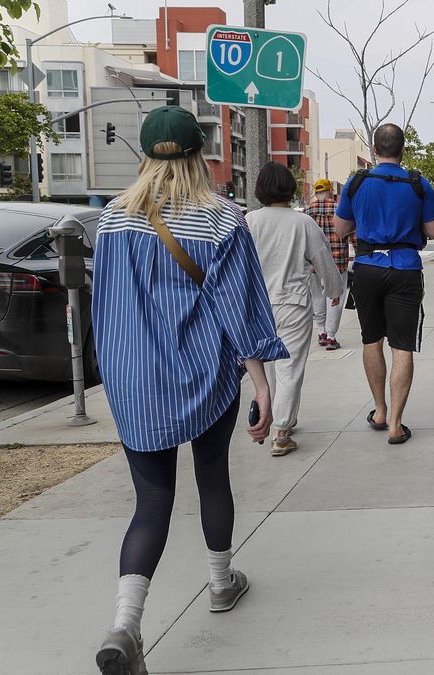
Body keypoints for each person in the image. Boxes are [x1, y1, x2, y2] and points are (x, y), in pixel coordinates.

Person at [91, 105, 287, 675]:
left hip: (135, 382)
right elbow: (239, 308)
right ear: (200, 155)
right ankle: (222, 583)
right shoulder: (223, 219)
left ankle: (126, 625)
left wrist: (119, 376)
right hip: (204, 376)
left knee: (150, 503)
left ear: (146, 156)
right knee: (212, 477)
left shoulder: (111, 221)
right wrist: (262, 384)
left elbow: (108, 309)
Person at [334, 123, 434, 444]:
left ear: (374, 148)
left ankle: (380, 411)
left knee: (372, 340)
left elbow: (341, 228)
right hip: (406, 270)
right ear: (403, 149)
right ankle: (396, 425)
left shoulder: (356, 182)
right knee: (402, 346)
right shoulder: (418, 183)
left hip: (368, 268)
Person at [248, 163, 344, 456]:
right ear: (290, 189)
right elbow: (322, 259)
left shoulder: (248, 221)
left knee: (267, 366)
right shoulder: (302, 223)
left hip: (257, 304)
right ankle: (281, 430)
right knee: (289, 367)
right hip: (292, 302)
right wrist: (334, 290)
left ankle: (277, 417)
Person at [307, 178, 349, 350]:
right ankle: (331, 337)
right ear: (331, 191)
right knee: (335, 298)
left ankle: (321, 332)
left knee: (317, 296)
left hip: (313, 263)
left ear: (316, 193)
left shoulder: (307, 211)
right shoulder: (340, 210)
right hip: (337, 262)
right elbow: (353, 235)